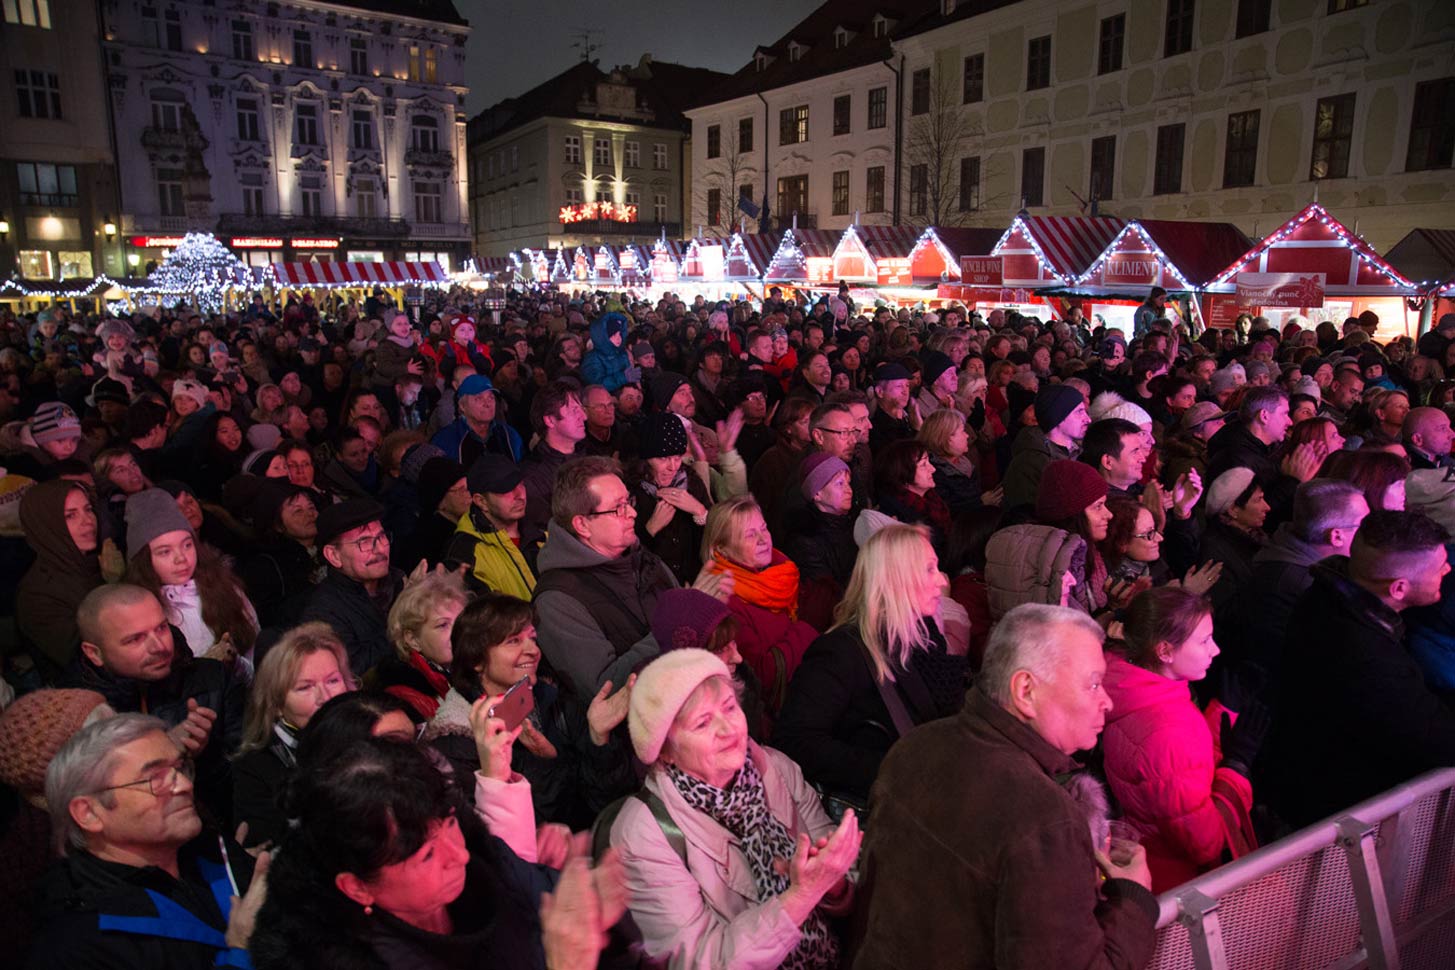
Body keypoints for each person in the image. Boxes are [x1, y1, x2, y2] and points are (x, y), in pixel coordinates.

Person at [851, 603, 1157, 969]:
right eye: (1093, 684)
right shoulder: (1046, 819)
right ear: (1025, 690)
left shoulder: (914, 746)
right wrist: (1133, 899)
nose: (1106, 701)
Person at [250, 737, 626, 970]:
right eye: (426, 856)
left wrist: (594, 917)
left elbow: (553, 899)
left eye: (449, 824)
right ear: (357, 887)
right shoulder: (347, 958)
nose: (458, 856)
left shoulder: (479, 859)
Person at [610, 648, 860, 970]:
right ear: (665, 752)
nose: (728, 730)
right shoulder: (643, 833)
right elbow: (704, 961)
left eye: (729, 707)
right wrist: (800, 895)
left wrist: (835, 885)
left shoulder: (775, 768)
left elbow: (844, 867)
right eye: (702, 723)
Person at [1264, 510, 1455, 827]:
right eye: (1439, 567)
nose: (1448, 569)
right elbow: (1441, 739)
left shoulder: (1329, 594)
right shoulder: (1367, 658)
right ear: (1398, 589)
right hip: (1338, 815)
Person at [29, 715, 265, 969]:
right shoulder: (77, 944)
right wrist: (242, 951)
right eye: (155, 778)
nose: (185, 785)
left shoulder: (213, 853)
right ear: (89, 813)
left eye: (181, 768)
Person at [774, 524, 966, 804]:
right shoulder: (840, 652)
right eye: (929, 569)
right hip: (885, 809)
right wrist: (889, 768)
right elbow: (795, 740)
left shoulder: (924, 635)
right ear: (895, 578)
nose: (941, 581)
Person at [1101, 587, 1263, 892]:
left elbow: (1182, 766)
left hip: (1151, 856)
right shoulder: (1167, 731)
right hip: (1184, 883)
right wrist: (1236, 768)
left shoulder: (1134, 689)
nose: (1215, 650)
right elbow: (1205, 844)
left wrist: (1221, 713)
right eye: (1204, 641)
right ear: (1164, 651)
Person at [426, 593, 635, 829]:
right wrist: (542, 764)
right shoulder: (455, 744)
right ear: (476, 660)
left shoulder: (556, 704)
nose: (533, 650)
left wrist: (600, 740)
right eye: (514, 641)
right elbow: (510, 837)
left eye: (533, 639)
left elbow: (608, 805)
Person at [69, 583, 243, 814]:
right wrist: (162, 754)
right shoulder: (77, 714)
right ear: (94, 653)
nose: (158, 646)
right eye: (135, 639)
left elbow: (247, 782)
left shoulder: (213, 679)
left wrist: (202, 757)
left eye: (161, 628)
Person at [533, 456, 687, 699]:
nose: (633, 513)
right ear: (582, 525)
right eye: (619, 508)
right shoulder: (557, 600)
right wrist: (682, 623)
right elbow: (605, 689)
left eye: (629, 502)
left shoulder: (643, 559)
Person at [1225, 480, 1368, 686]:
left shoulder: (1287, 549)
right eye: (1363, 525)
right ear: (1336, 536)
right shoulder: (1302, 585)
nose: (1369, 533)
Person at [231, 623, 355, 850]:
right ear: (277, 704)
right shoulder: (255, 767)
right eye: (305, 687)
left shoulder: (370, 735)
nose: (324, 697)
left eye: (333, 681)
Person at [700, 496, 818, 710]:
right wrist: (806, 629)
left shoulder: (781, 571)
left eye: (764, 529)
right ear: (721, 549)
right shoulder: (725, 601)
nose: (763, 540)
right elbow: (763, 674)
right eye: (750, 535)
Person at [123, 488, 258, 664]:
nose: (181, 558)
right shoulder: (137, 611)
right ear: (144, 560)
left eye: (187, 545)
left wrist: (236, 666)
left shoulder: (222, 586)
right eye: (165, 552)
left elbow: (254, 642)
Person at [986, 459, 1117, 620]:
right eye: (1098, 506)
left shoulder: (1089, 555)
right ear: (1073, 514)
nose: (1109, 514)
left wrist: (1113, 605)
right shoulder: (1046, 565)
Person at [299, 497, 406, 678]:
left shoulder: (399, 581)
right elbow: (350, 673)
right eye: (364, 542)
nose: (379, 548)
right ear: (333, 555)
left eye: (381, 537)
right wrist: (403, 621)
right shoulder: (322, 613)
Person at [18, 479, 109, 682]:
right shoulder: (37, 595)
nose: (87, 521)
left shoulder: (98, 564)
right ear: (46, 525)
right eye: (70, 515)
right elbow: (90, 662)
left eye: (88, 509)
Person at [629, 412, 713, 584]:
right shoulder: (630, 490)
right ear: (646, 458)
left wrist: (700, 512)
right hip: (653, 587)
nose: (673, 467)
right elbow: (622, 558)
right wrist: (649, 529)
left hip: (694, 584)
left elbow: (718, 539)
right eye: (663, 458)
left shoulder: (692, 482)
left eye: (678, 457)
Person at [781, 453, 859, 631]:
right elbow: (827, 597)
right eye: (840, 484)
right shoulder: (804, 540)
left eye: (848, 483)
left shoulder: (851, 524)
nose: (849, 490)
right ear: (817, 493)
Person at [446, 453, 538, 599]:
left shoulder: (542, 532)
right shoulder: (465, 555)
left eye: (520, 484)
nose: (519, 495)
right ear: (481, 501)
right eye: (505, 489)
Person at [1000, 385, 1090, 511]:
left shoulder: (1081, 453)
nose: (1088, 419)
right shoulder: (1028, 464)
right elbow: (1027, 517)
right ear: (1058, 415)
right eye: (1079, 412)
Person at [520, 380, 588, 545]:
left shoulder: (588, 459)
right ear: (550, 420)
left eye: (582, 409)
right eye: (574, 411)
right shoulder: (532, 477)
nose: (584, 417)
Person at [391, 456, 470, 572]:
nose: (468, 493)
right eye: (460, 489)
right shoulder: (430, 543)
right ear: (440, 500)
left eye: (468, 487)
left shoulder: (473, 522)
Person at [430, 373, 523, 467]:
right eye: (479, 398)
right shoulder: (446, 440)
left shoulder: (508, 435)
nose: (487, 404)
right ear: (462, 406)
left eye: (491, 397)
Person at [1403, 406, 1454, 470]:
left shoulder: (1447, 462)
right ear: (1417, 439)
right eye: (1443, 429)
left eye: (1449, 426)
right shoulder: (1403, 471)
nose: (1453, 434)